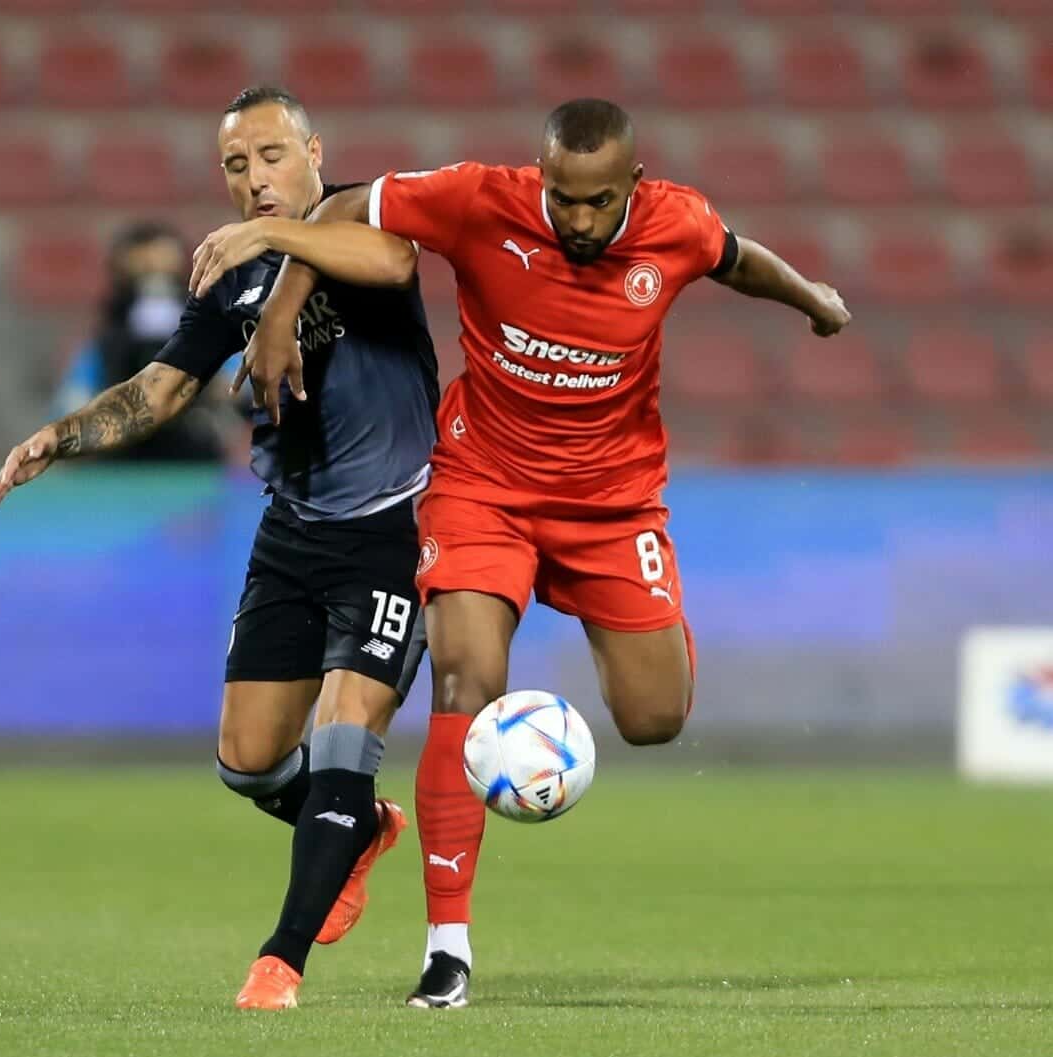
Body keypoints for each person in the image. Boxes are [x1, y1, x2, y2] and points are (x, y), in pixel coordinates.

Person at [189, 97, 851, 1010]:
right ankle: (447, 951)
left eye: (598, 203)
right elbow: (341, 212)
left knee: (656, 716)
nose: (578, 222)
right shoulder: (477, 200)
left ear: (635, 184)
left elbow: (739, 259)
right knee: (465, 678)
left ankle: (590, 653)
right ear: (543, 178)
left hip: (613, 504)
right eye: (563, 199)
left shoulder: (677, 223)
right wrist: (278, 315)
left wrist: (814, 300)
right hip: (482, 486)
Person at [0, 85, 442, 1011]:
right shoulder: (228, 280)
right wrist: (58, 437)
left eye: (272, 155)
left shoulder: (358, 220)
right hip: (292, 533)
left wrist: (276, 238)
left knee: (344, 739)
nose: (256, 178)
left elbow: (394, 262)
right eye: (237, 165)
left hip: (392, 530)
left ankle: (279, 963)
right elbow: (158, 391)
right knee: (248, 760)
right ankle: (360, 826)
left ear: (316, 151)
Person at [50, 220, 233, 462]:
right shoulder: (105, 347)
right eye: (143, 274)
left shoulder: (215, 339)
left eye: (167, 274)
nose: (156, 288)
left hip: (194, 463)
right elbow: (71, 405)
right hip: (121, 466)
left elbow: (238, 393)